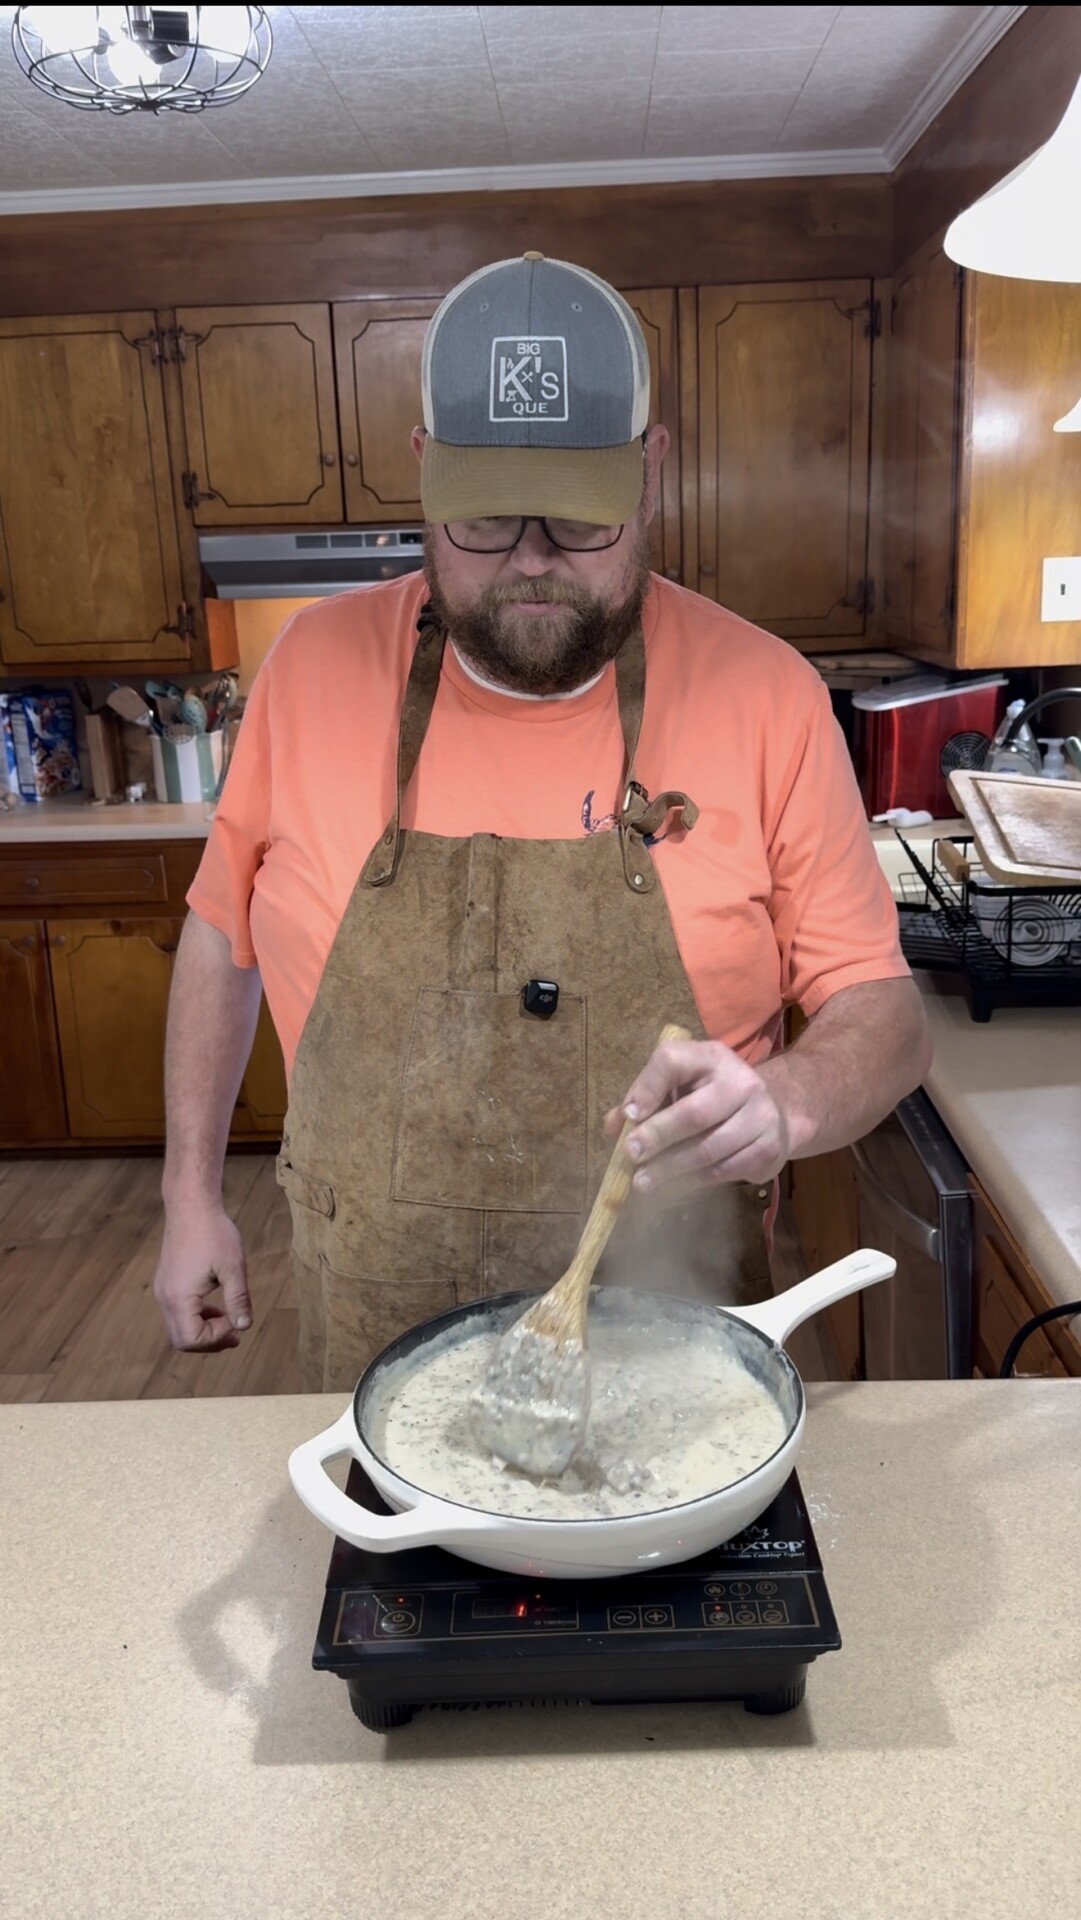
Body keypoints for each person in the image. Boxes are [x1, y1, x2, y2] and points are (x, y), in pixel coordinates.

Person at [153, 251, 930, 1389]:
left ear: (650, 473)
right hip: (374, 1339)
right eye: (482, 519)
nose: (529, 563)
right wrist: (187, 1195)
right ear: (424, 473)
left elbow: (885, 1013)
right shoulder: (308, 672)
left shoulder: (767, 694)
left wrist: (788, 1100)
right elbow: (222, 946)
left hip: (679, 1340)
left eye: (576, 520)